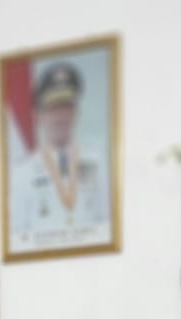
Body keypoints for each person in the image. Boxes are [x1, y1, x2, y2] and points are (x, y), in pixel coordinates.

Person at [10, 61, 111, 247]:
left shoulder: (97, 162)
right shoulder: (22, 174)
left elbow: (107, 222)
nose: (60, 116)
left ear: (76, 111)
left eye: (66, 107)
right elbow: (16, 237)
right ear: (39, 116)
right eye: (52, 108)